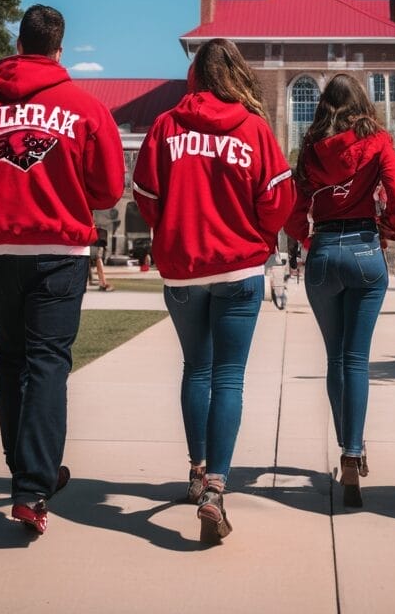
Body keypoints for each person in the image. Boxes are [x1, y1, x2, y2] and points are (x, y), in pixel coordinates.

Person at [0, 4, 125, 536]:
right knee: (46, 363)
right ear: (59, 51)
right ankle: (33, 486)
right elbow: (109, 190)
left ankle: (27, 471)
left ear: (17, 46)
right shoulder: (85, 108)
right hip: (60, 253)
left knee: (12, 359)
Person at [133, 38, 294, 544]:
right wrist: (259, 235)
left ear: (195, 77)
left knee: (196, 369)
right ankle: (216, 491)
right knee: (228, 377)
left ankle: (197, 470)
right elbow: (278, 200)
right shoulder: (253, 129)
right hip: (238, 267)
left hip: (183, 272)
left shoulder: (165, 127)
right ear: (238, 74)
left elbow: (145, 198)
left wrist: (175, 230)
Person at [285, 73, 395, 509]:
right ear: (362, 102)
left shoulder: (308, 148)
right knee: (356, 358)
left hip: (323, 252)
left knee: (335, 357)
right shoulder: (378, 141)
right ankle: (352, 452)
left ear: (324, 106)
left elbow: (293, 211)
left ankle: (347, 444)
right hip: (363, 251)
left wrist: (307, 243)